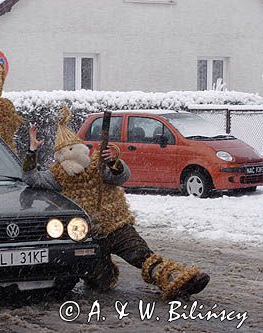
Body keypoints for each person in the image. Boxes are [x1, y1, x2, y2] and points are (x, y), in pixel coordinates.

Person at [22, 106, 210, 300]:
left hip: (116, 226)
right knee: (100, 283)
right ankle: (105, 273)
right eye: (66, 153)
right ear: (60, 158)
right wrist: (31, 150)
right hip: (89, 236)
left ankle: (176, 279)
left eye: (74, 151)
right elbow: (30, 178)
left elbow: (121, 177)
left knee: (140, 255)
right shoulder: (57, 176)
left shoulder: (99, 165)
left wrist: (114, 162)